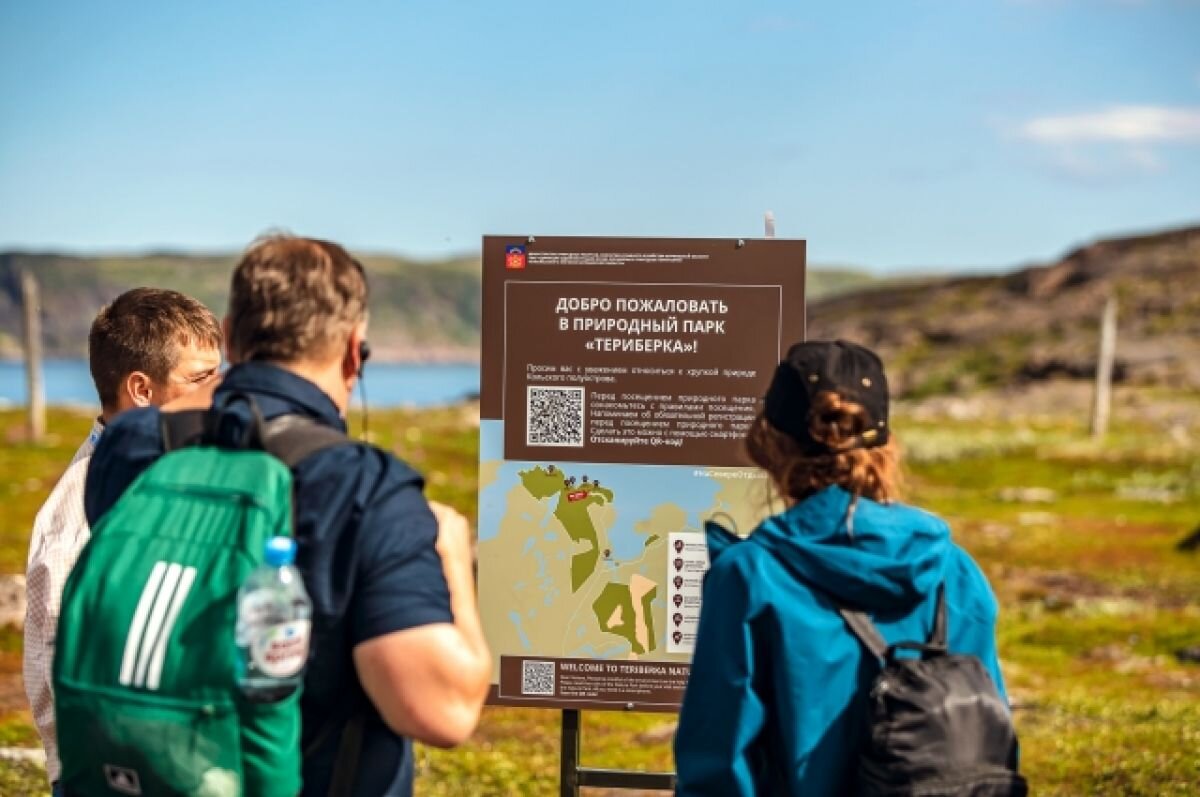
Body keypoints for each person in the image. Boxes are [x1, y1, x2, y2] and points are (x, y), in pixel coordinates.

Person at [84, 235, 491, 796]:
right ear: (355, 351)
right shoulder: (368, 491)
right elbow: (442, 713)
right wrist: (449, 556)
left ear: (228, 337)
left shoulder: (130, 446)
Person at [674, 340, 1009, 796]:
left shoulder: (749, 577)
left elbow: (720, 762)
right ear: (885, 448)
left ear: (769, 445)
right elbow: (987, 736)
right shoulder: (955, 570)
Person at [24, 288, 222, 795]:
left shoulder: (186, 467)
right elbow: (59, 683)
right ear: (140, 389)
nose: (219, 392)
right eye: (201, 378)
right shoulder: (75, 523)